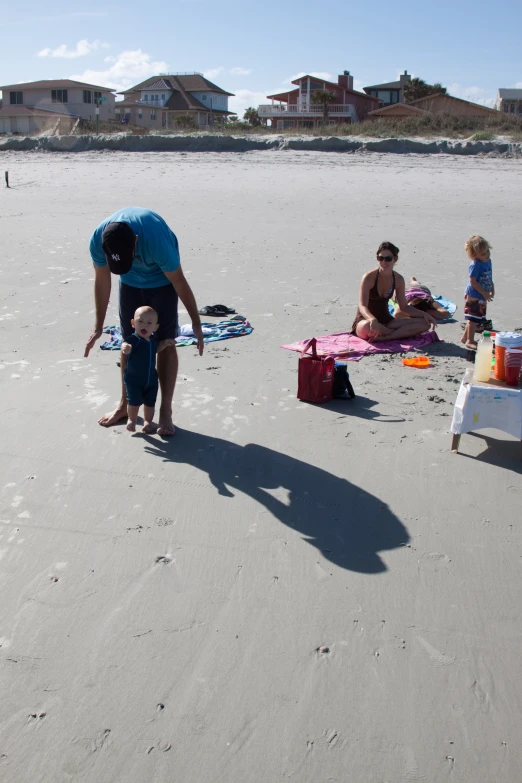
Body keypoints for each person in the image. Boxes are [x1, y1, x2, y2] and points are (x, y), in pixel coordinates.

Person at [84, 207, 204, 436]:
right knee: (129, 342)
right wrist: (98, 327)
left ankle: (165, 411)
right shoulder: (99, 240)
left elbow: (179, 281)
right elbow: (102, 280)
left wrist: (196, 324)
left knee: (166, 342)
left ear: (136, 241)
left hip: (162, 281)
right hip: (129, 283)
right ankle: (124, 405)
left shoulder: (155, 239)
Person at [351, 242, 436, 342]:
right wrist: (372, 319)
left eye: (388, 259)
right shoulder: (369, 278)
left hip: (386, 320)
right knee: (367, 326)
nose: (384, 262)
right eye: (380, 258)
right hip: (365, 321)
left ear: (395, 259)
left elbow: (404, 307)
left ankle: (388, 336)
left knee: (425, 324)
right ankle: (397, 333)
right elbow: (362, 306)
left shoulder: (398, 279)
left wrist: (424, 315)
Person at [121, 306, 173, 434]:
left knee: (150, 403)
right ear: (133, 323)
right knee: (134, 401)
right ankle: (132, 420)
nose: (144, 325)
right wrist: (125, 348)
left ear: (155, 327)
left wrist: (164, 344)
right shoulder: (134, 339)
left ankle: (148, 422)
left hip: (151, 379)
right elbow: (124, 344)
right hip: (134, 379)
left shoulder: (152, 340)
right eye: (140, 322)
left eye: (149, 323)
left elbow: (156, 349)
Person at [461, 235, 494, 349]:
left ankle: (465, 337)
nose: (487, 254)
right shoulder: (475, 265)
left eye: (487, 251)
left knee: (476, 317)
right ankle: (470, 340)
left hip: (482, 294)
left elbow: (488, 276)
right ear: (475, 255)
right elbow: (473, 281)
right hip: (474, 295)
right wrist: (483, 293)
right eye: (483, 253)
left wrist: (491, 288)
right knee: (473, 319)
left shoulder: (488, 261)